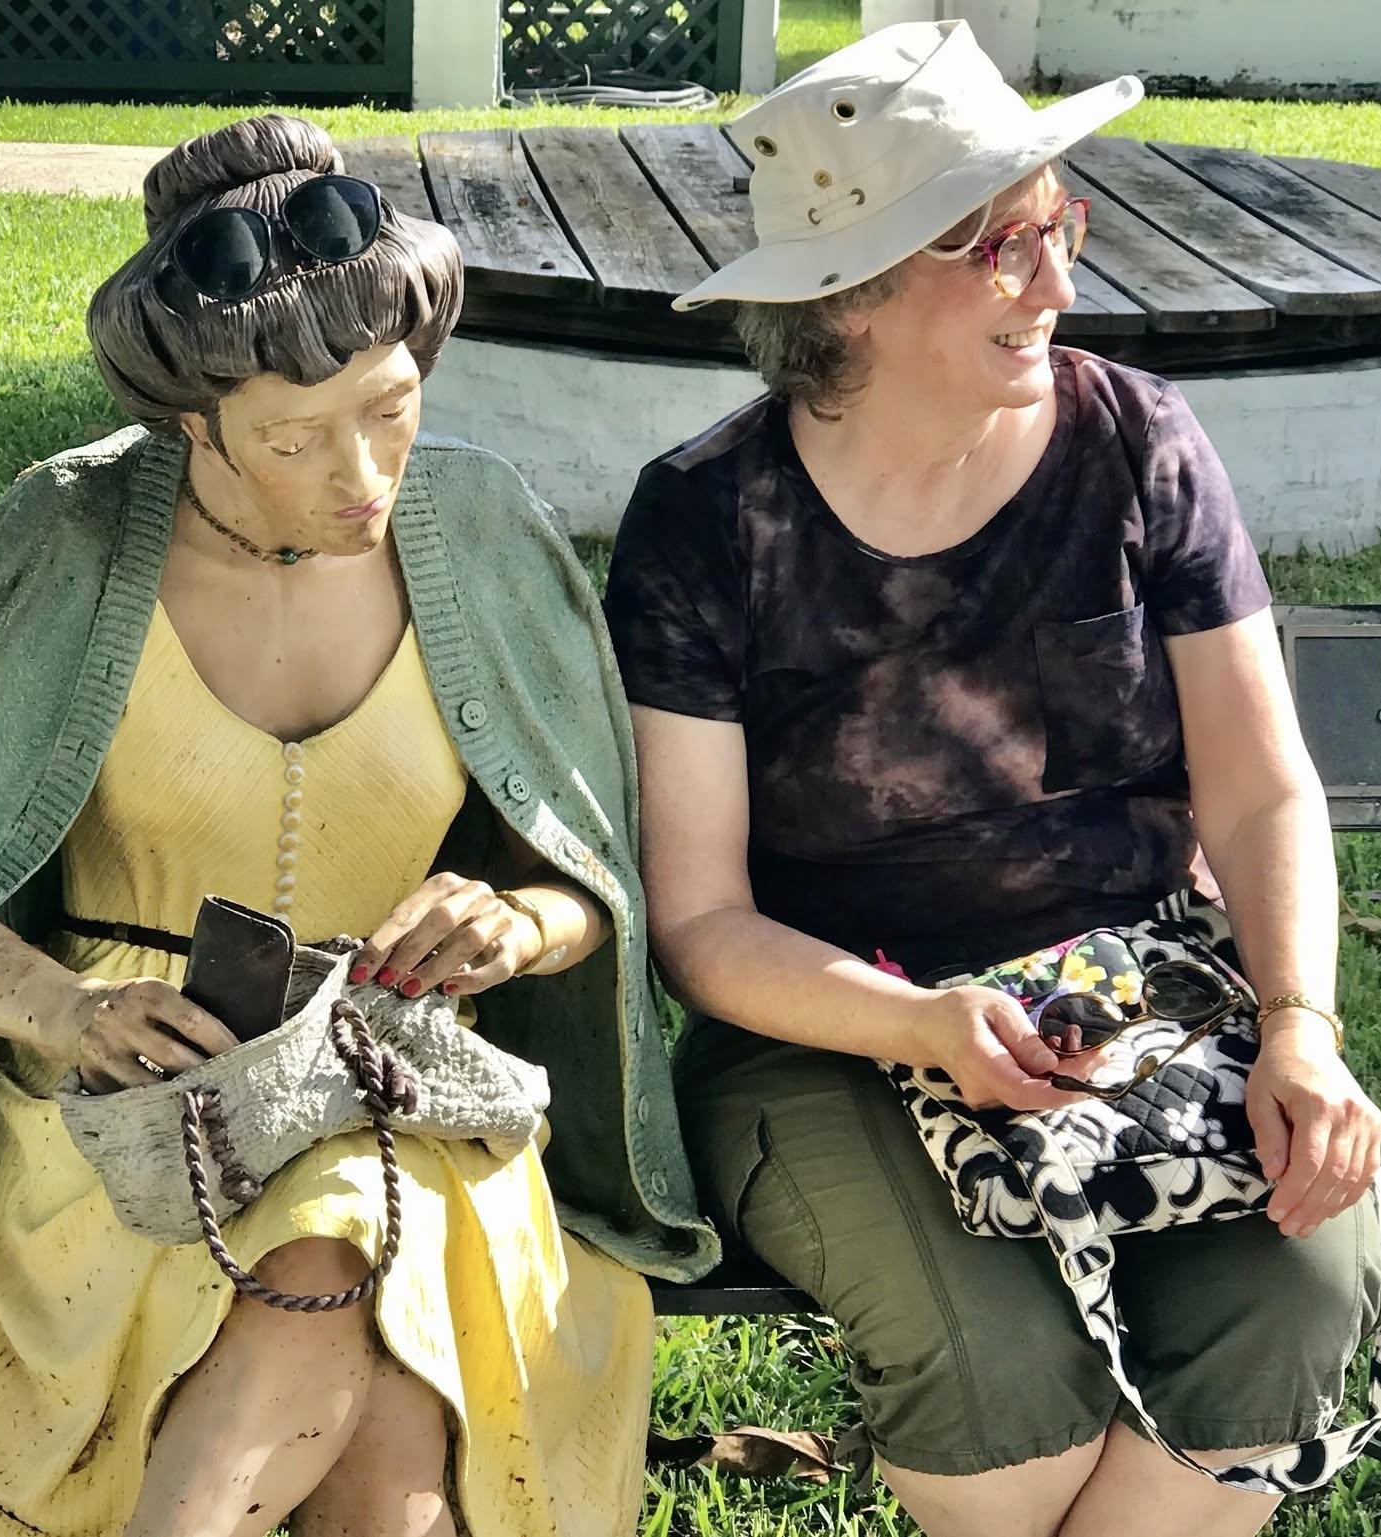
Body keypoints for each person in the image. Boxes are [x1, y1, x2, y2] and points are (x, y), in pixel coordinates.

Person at [0, 113, 715, 1537]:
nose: (361, 474)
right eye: (296, 439)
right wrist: (65, 1009)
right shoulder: (59, 534)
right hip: (112, 1102)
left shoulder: (483, 529)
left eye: (389, 406)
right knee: (370, 1363)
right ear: (191, 424)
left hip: (403, 1078)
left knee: (337, 1221)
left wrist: (516, 921)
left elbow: (586, 881)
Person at [604, 23, 1381, 1537]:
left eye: (1060, 225)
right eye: (1003, 244)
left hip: (1138, 1001)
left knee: (1297, 1285)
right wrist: (915, 1021)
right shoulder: (708, 523)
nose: (1059, 280)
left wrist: (1297, 1023)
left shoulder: (1136, 445)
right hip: (822, 1027)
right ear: (856, 294)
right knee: (1000, 1372)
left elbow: (1261, 789)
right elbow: (698, 917)